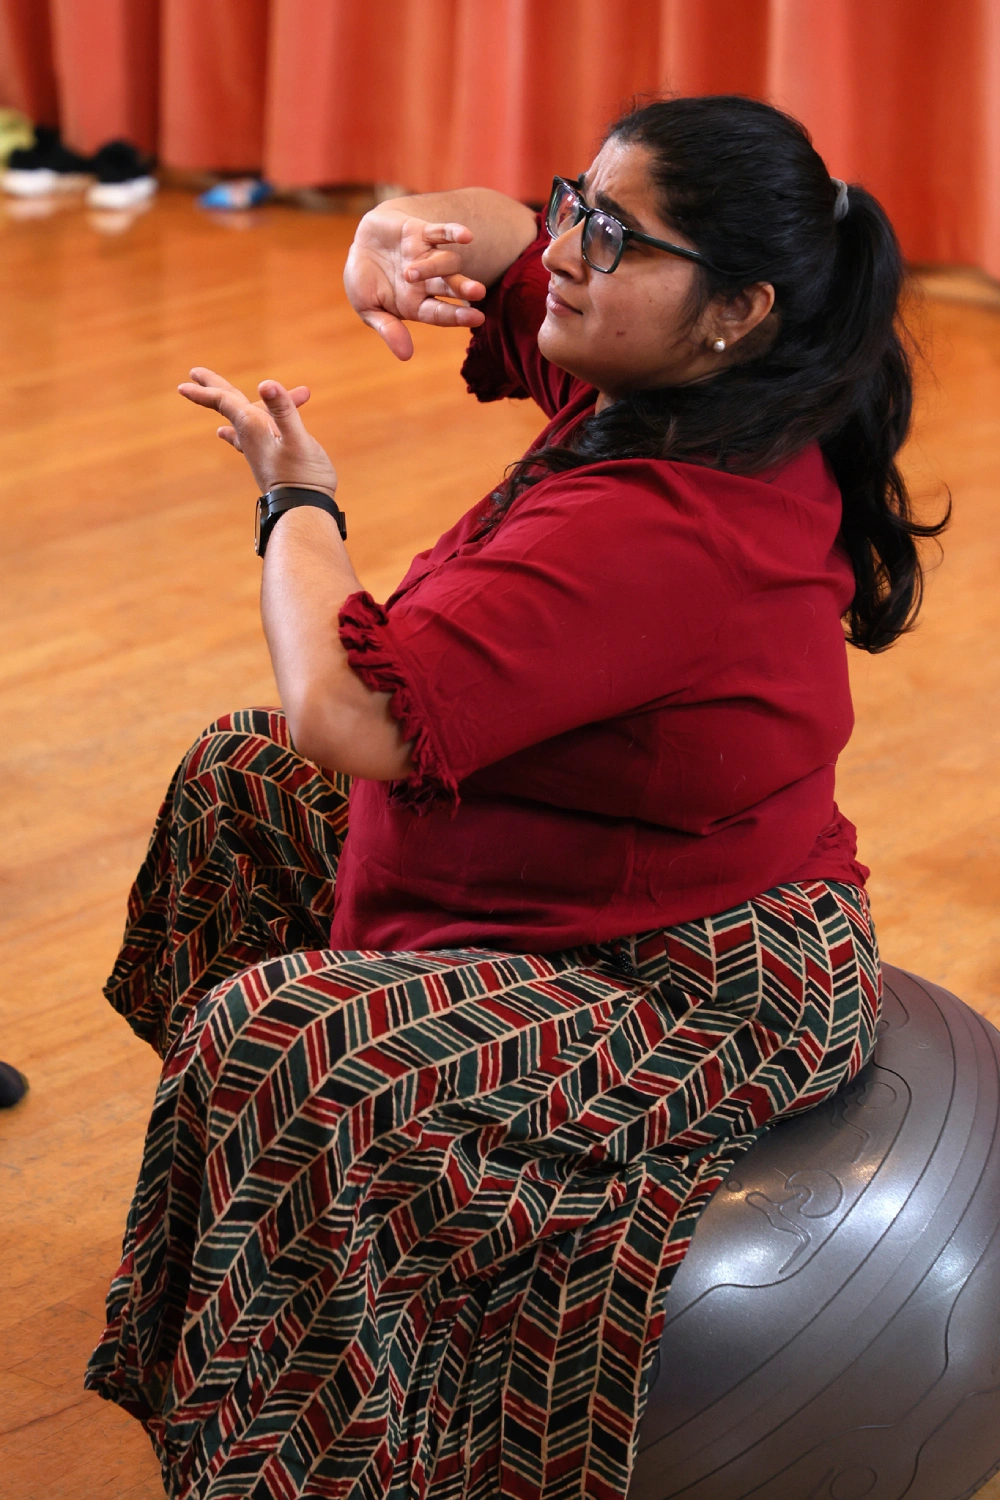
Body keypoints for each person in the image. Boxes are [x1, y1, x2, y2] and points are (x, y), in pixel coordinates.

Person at [84, 96, 945, 1500]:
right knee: (242, 781)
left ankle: (322, 1411)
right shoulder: (683, 375)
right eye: (577, 202)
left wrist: (293, 505)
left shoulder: (668, 522)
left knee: (290, 1033)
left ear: (734, 307)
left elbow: (351, 711)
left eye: (610, 230)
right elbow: (487, 233)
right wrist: (392, 235)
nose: (567, 246)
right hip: (577, 886)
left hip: (689, 985)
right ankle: (270, 1246)